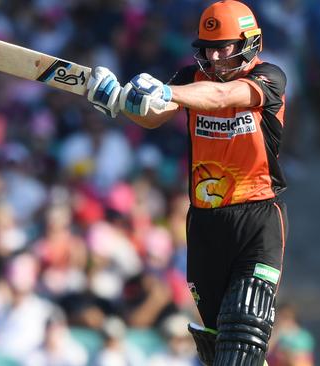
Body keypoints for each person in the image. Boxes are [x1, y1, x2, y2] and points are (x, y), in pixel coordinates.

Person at [86, 1, 288, 365]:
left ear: (249, 42)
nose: (214, 55)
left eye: (224, 46)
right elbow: (153, 117)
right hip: (205, 223)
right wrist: (118, 100)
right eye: (208, 47)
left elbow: (224, 97)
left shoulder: (269, 77)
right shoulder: (189, 80)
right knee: (215, 342)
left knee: (245, 330)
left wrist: (166, 91)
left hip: (257, 218)